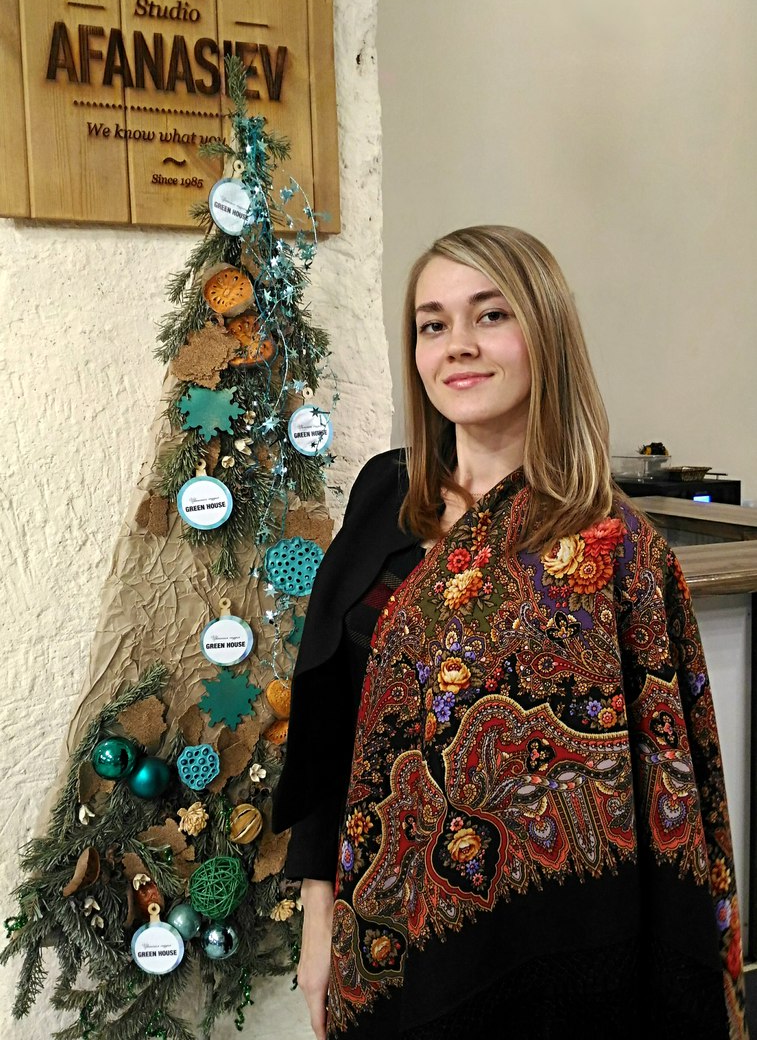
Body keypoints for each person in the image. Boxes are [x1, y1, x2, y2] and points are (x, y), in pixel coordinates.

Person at [272, 226, 748, 1039]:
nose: (457, 344)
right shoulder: (384, 494)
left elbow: (662, 794)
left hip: (547, 968)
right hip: (379, 937)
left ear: (545, 333)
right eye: (432, 323)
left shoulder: (611, 551)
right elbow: (329, 724)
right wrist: (318, 922)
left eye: (489, 315)